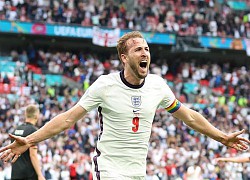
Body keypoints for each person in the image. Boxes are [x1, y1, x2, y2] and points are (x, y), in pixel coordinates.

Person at [0, 31, 249, 180]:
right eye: (138, 49)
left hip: (137, 171)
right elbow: (67, 118)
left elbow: (190, 117)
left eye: (147, 49)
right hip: (108, 168)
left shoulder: (158, 86)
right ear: (124, 57)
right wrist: (31, 140)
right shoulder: (104, 85)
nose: (145, 53)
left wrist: (222, 137)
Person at [10, 104, 45, 180]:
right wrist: (40, 174)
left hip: (15, 173)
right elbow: (33, 155)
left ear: (25, 114)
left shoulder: (15, 130)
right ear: (36, 116)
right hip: (29, 174)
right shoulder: (33, 131)